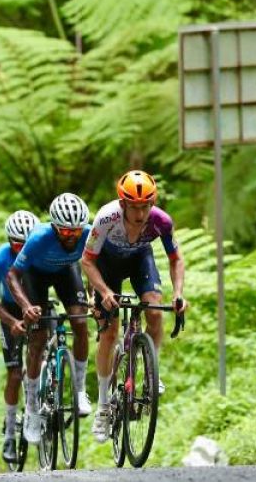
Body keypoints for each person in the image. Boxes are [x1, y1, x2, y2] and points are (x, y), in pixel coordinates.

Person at [81, 170, 187, 444]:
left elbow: (176, 259)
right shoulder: (106, 218)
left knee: (154, 311)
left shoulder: (161, 221)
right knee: (109, 332)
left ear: (152, 204)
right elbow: (87, 261)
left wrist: (178, 294)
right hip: (107, 265)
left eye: (145, 206)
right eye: (134, 207)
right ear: (123, 203)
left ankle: (151, 371)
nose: (140, 214)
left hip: (140, 260)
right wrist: (103, 291)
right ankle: (103, 406)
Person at [6, 192, 93, 444]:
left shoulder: (89, 233)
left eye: (76, 231)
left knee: (80, 322)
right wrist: (26, 307)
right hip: (35, 277)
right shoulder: (39, 238)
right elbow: (12, 276)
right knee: (38, 338)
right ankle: (32, 408)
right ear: (54, 227)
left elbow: (96, 262)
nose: (72, 236)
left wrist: (95, 294)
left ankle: (80, 391)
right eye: (65, 231)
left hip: (67, 272)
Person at [0, 210, 40, 462]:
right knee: (15, 373)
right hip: (10, 311)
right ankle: (9, 432)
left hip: (37, 305)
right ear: (9, 241)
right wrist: (12, 322)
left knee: (41, 356)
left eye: (27, 245)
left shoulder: (41, 252)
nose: (22, 250)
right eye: (18, 245)